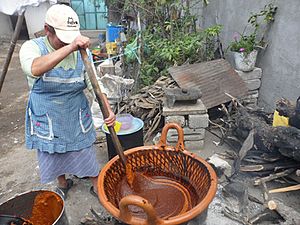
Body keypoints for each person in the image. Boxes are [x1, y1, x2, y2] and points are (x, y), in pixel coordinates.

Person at [19, 4, 116, 199]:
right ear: (48, 30)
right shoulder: (32, 47)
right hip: (47, 113)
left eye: (70, 40)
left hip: (74, 111)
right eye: (63, 40)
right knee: (52, 152)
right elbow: (35, 68)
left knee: (83, 150)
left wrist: (108, 110)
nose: (67, 44)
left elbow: (94, 84)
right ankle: (62, 182)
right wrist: (71, 46)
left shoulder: (82, 53)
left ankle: (96, 186)